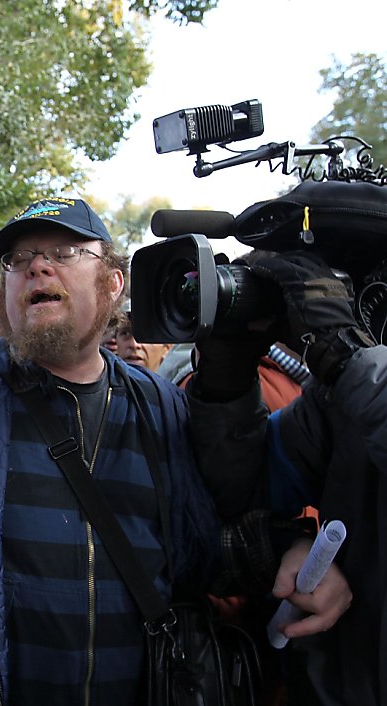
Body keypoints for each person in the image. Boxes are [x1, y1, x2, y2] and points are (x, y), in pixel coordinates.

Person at [0, 197, 351, 705]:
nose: (37, 266)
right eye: (19, 260)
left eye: (65, 252)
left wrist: (290, 548)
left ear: (112, 283)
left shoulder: (161, 406)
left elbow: (196, 549)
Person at [187, 249, 386, 706]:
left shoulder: (354, 374)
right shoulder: (338, 397)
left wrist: (344, 352)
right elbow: (244, 494)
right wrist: (227, 380)